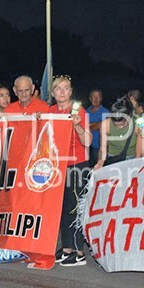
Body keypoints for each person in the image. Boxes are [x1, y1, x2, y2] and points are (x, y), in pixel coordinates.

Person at [47, 75, 91, 266]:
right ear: (52, 93)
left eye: (66, 88)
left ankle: (79, 251)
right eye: (58, 88)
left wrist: (77, 125)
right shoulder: (51, 111)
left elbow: (88, 141)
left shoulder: (78, 111)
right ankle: (66, 248)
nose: (62, 92)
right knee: (63, 208)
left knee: (75, 207)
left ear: (71, 91)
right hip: (58, 166)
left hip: (77, 164)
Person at [94, 97, 141, 170]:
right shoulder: (105, 125)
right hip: (112, 159)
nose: (120, 127)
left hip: (132, 159)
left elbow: (139, 154)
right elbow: (102, 149)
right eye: (116, 124)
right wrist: (100, 162)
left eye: (123, 124)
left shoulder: (138, 124)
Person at [86, 89, 109, 166]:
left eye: (98, 97)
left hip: (100, 148)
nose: (95, 99)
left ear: (101, 99)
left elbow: (100, 126)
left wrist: (89, 125)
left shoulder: (105, 112)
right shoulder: (86, 112)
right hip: (87, 148)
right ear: (90, 98)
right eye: (93, 97)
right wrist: (95, 124)